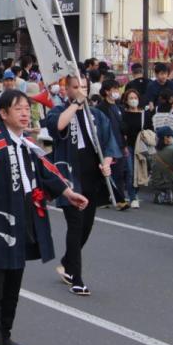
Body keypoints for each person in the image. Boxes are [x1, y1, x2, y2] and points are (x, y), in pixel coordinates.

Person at [0, 89, 87, 345]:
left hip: (24, 217)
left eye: (27, 108)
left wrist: (67, 192)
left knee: (14, 281)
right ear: (3, 114)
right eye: (18, 109)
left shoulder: (26, 144)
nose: (25, 113)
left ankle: (6, 335)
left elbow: (46, 170)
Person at [43, 76, 119, 295]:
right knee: (75, 226)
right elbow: (57, 127)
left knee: (86, 226)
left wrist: (107, 164)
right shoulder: (59, 111)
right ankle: (76, 278)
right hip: (69, 178)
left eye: (84, 87)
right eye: (76, 87)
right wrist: (75, 105)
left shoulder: (97, 115)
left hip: (92, 178)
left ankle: (68, 261)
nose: (81, 91)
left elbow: (109, 145)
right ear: (66, 90)